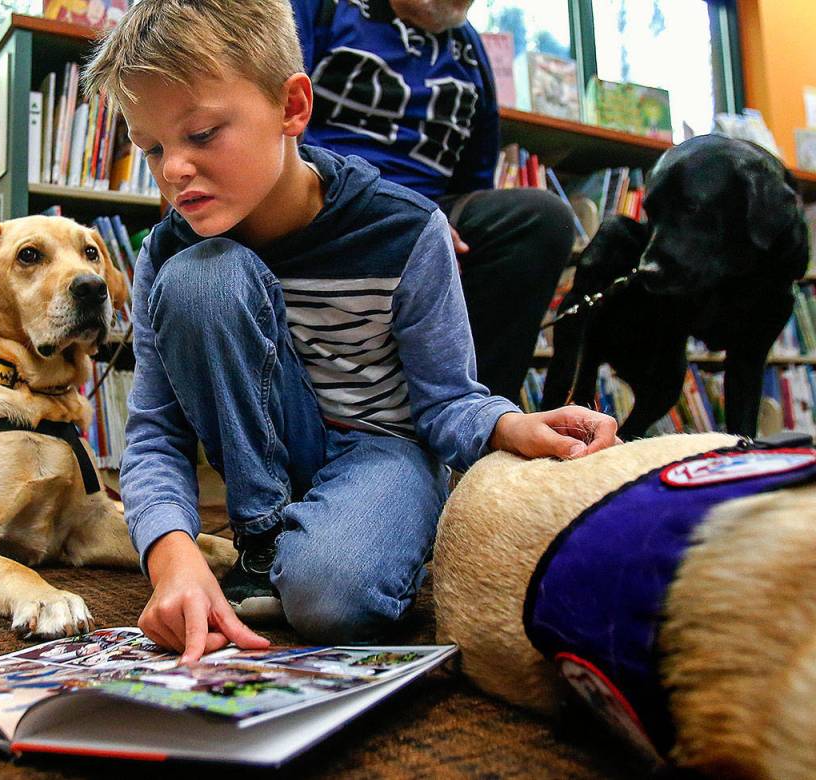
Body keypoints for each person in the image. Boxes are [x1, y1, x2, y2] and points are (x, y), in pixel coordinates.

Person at [84, 0, 617, 663]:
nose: (172, 171)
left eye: (201, 135)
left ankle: (354, 539)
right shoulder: (170, 249)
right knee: (200, 277)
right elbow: (157, 430)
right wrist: (171, 558)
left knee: (334, 599)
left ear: (292, 108)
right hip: (269, 463)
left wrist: (510, 426)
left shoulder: (406, 229)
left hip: (382, 448)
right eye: (153, 148)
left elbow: (446, 399)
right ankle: (262, 536)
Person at [292, 0, 576, 403]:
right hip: (322, 194)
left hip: (430, 209)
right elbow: (273, 122)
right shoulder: (322, 7)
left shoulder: (470, 49)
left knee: (542, 220)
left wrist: (429, 226)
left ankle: (481, 420)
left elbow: (475, 175)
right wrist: (392, 212)